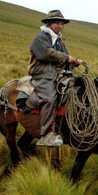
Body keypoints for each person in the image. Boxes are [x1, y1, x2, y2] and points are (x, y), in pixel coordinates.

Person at [25, 10, 82, 147]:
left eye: (62, 23)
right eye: (57, 23)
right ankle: (45, 135)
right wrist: (65, 57)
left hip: (58, 75)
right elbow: (46, 54)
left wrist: (73, 63)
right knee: (49, 99)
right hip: (43, 75)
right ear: (49, 23)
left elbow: (62, 60)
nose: (60, 26)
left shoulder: (60, 41)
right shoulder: (40, 38)